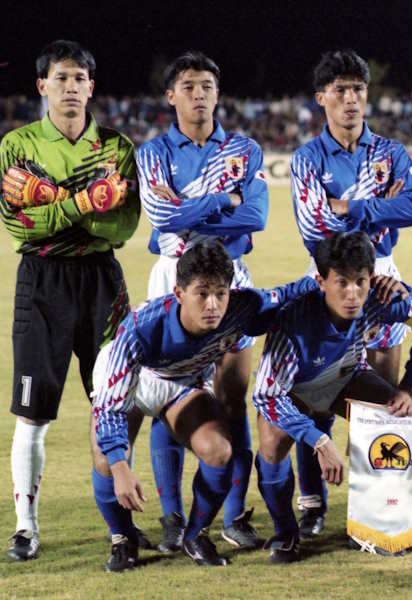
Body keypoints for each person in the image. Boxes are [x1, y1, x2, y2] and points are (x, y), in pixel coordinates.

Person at [90, 242, 318, 570]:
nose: (212, 304)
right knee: (104, 459)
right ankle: (123, 538)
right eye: (201, 293)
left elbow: (289, 293)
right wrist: (119, 464)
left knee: (218, 450)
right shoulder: (142, 328)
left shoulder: (240, 307)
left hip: (180, 384)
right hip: (133, 382)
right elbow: (111, 409)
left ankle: (195, 535)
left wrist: (325, 276)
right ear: (179, 292)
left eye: (220, 293)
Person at [0, 40, 140, 561]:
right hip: (41, 282)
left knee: (114, 403)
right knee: (32, 413)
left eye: (80, 78)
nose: (72, 88)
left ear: (92, 87)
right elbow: (19, 224)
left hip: (102, 280)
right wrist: (84, 201)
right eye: (61, 78)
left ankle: (120, 529)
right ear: (42, 86)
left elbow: (121, 226)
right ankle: (25, 528)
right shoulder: (16, 146)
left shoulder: (117, 147)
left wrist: (55, 204)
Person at [136, 51, 268, 552]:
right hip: (173, 278)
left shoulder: (245, 149)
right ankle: (173, 518)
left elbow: (255, 215)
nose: (199, 94)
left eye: (207, 85)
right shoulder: (152, 152)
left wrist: (193, 212)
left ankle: (234, 516)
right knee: (168, 398)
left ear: (218, 93)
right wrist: (222, 201)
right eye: (188, 86)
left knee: (234, 394)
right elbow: (161, 215)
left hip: (232, 279)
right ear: (172, 95)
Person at [289, 49, 412, 536]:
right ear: (321, 97)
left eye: (358, 90)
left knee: (382, 400)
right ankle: (311, 502)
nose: (350, 99)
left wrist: (349, 206)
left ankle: (374, 503)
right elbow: (314, 226)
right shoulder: (307, 157)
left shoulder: (390, 152)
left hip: (382, 276)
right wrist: (376, 207)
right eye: (340, 90)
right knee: (315, 393)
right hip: (327, 276)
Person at [252, 232, 412, 564]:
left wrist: (407, 388)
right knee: (272, 443)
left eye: (360, 282)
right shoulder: (293, 317)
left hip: (345, 378)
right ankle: (285, 532)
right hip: (292, 391)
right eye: (342, 283)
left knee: (397, 417)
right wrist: (319, 441)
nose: (353, 294)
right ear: (321, 281)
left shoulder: (381, 299)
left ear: (371, 279)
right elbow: (267, 396)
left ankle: (376, 526)